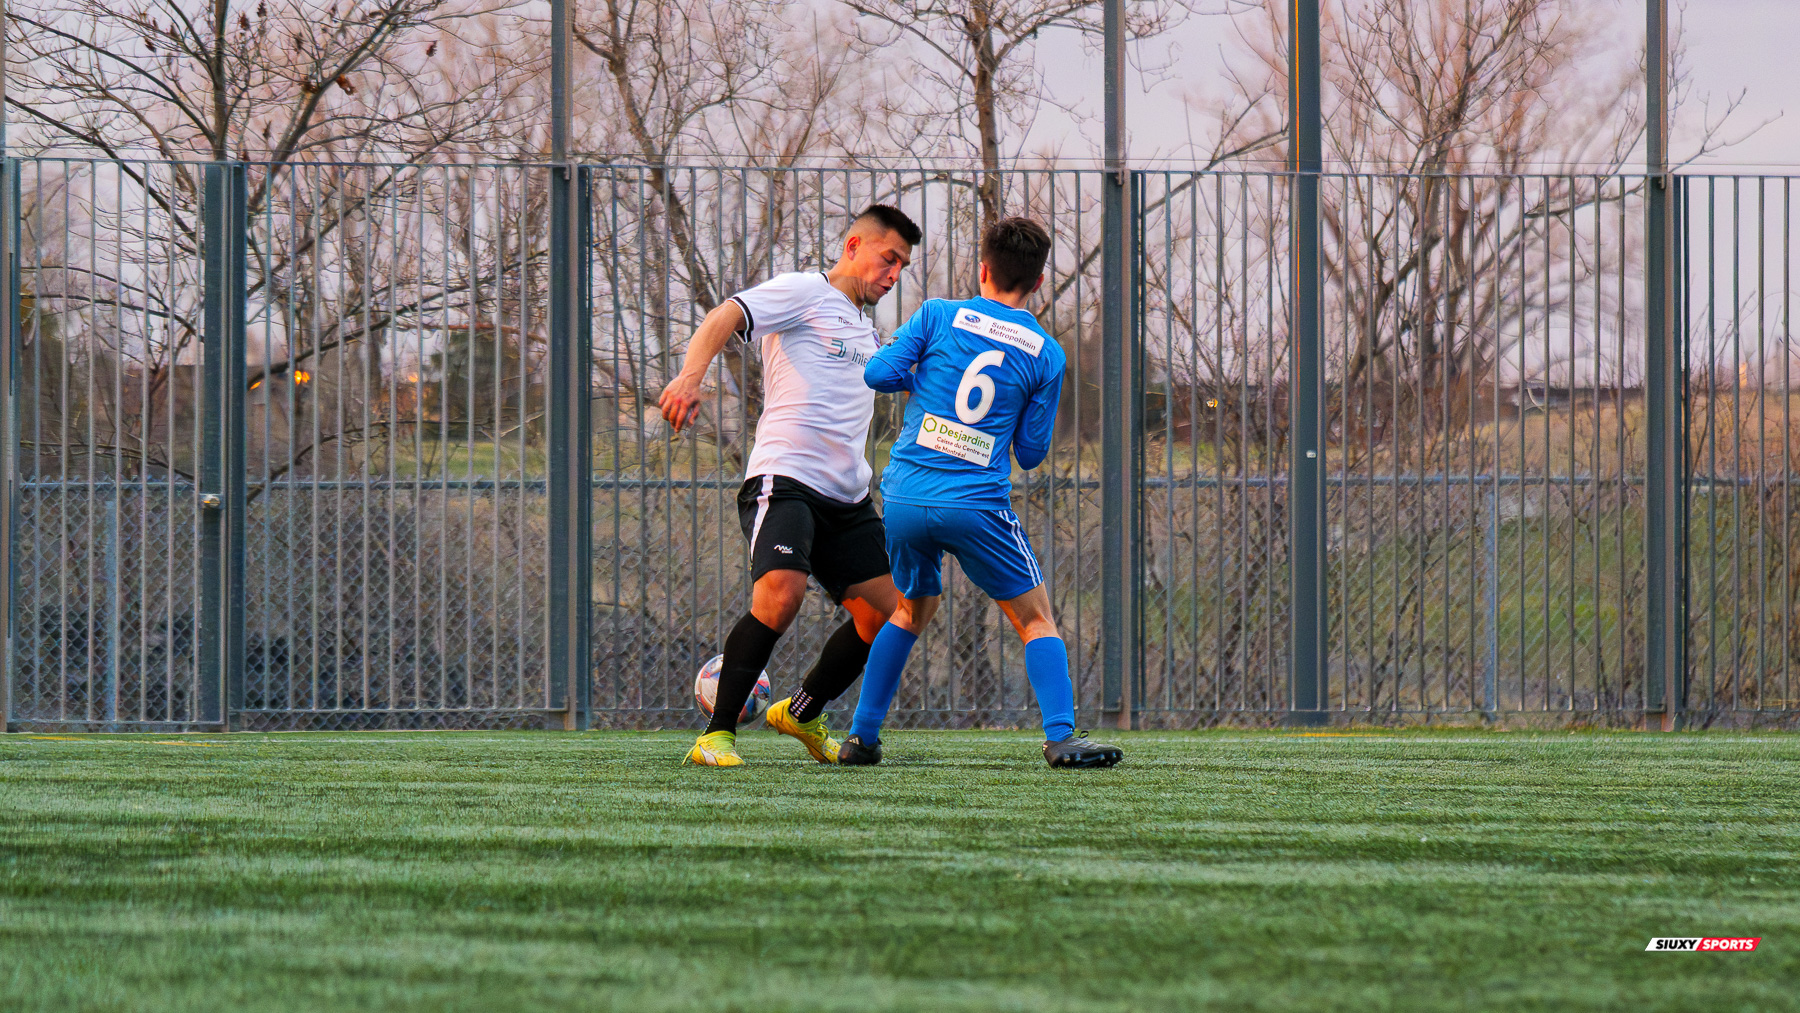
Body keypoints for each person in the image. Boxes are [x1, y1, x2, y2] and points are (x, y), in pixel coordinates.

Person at [844, 216, 1123, 769]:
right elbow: (1031, 452)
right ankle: (1061, 736)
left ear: (982, 270)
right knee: (1035, 619)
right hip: (975, 505)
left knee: (910, 609)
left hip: (905, 498)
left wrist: (924, 377)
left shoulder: (937, 315)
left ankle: (861, 738)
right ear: (1037, 282)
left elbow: (878, 373)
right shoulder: (1047, 353)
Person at [658, 205, 921, 767]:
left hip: (848, 498)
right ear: (854, 246)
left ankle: (802, 711)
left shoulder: (865, 330)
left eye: (902, 265)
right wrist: (689, 376)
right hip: (787, 480)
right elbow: (726, 313)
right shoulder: (806, 291)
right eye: (889, 258)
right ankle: (716, 735)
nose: (894, 273)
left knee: (892, 612)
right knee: (781, 594)